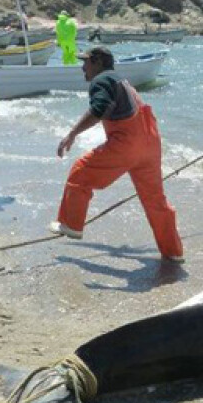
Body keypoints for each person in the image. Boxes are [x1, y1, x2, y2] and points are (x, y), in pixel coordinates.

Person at [52, 45, 184, 262]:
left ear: (98, 63)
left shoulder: (102, 80)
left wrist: (72, 134)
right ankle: (173, 253)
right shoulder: (123, 81)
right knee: (155, 202)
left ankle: (71, 225)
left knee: (80, 172)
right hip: (151, 145)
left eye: (85, 62)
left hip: (127, 144)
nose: (82, 67)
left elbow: (98, 109)